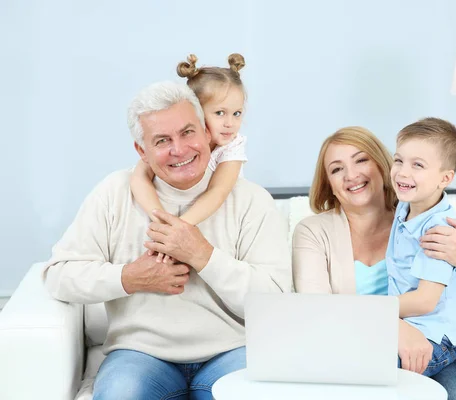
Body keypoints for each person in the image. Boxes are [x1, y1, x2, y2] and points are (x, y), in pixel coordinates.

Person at [42, 81, 292, 400]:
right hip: (140, 355)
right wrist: (129, 278)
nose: (179, 149)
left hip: (232, 350)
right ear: (141, 151)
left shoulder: (251, 200)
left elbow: (276, 300)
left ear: (206, 131)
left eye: (188, 132)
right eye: (162, 140)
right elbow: (59, 275)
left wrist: (203, 255)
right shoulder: (113, 193)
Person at [292, 126, 456, 400]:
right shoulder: (313, 232)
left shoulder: (420, 219)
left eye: (361, 160)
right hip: (364, 347)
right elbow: (317, 311)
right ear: (327, 181)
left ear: (380, 162)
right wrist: (394, 325)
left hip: (436, 344)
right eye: (336, 169)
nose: (351, 175)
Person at [131, 54, 247, 262]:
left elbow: (218, 192)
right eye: (220, 113)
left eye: (237, 113)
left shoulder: (233, 146)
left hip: (215, 215)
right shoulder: (169, 150)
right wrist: (162, 223)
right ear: (197, 113)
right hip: (181, 217)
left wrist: (179, 229)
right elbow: (139, 178)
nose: (230, 123)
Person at [387, 118, 456, 377]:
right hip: (405, 326)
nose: (402, 172)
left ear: (444, 178)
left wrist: (370, 312)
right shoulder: (406, 205)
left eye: (417, 165)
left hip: (434, 340)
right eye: (398, 160)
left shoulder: (439, 230)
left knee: (358, 369)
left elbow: (424, 301)